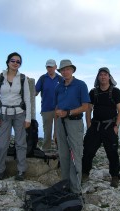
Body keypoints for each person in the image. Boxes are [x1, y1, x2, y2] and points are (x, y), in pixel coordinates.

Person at [82, 67, 120, 188]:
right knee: (88, 151)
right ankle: (85, 173)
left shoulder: (115, 92)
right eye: (101, 75)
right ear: (98, 77)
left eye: (105, 75)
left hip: (110, 126)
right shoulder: (93, 92)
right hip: (95, 126)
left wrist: (116, 126)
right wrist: (89, 125)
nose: (103, 77)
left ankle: (115, 176)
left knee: (112, 153)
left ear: (109, 77)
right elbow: (88, 109)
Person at [0, 52, 31, 181]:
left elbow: (27, 98)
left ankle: (21, 171)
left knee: (21, 143)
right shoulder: (0, 77)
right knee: (2, 144)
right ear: (8, 62)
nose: (15, 63)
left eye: (18, 62)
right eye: (13, 60)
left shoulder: (22, 78)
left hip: (19, 114)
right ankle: (0, 171)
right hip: (4, 114)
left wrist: (28, 118)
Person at [54, 59, 90, 194]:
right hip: (60, 123)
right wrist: (55, 131)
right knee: (63, 155)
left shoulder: (81, 85)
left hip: (74, 122)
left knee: (75, 154)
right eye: (62, 70)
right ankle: (65, 185)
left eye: (67, 69)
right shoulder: (58, 87)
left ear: (72, 70)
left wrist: (68, 112)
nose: (65, 71)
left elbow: (86, 107)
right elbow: (56, 107)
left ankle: (75, 189)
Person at [35, 59, 63, 151]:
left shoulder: (60, 79)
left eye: (51, 67)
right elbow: (35, 92)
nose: (50, 69)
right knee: (47, 132)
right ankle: (46, 150)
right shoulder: (43, 78)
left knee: (58, 132)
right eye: (48, 67)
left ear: (55, 67)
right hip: (46, 109)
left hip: (59, 109)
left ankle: (60, 151)